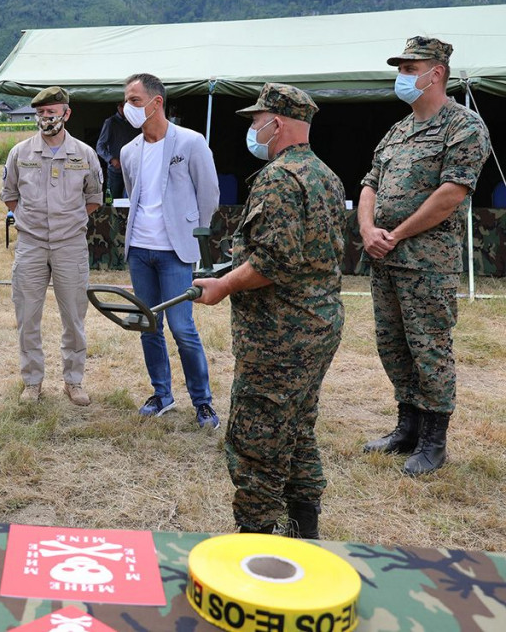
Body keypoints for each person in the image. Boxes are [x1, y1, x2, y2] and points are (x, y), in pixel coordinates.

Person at [194, 83, 345, 538]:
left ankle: (254, 543)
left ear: (276, 123)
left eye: (257, 122)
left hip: (281, 334)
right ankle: (305, 533)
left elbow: (272, 261)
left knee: (256, 439)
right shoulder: (326, 175)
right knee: (298, 426)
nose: (254, 130)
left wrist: (222, 285)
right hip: (318, 323)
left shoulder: (280, 178)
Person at [359, 37, 491, 476]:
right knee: (393, 346)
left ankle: (434, 441)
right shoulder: (397, 130)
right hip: (384, 259)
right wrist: (367, 229)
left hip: (426, 263)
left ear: (436, 73)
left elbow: (451, 194)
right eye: (401, 67)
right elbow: (369, 183)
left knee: (429, 348)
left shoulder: (464, 126)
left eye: (409, 67)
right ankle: (407, 428)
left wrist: (394, 234)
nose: (402, 75)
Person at [119, 73, 220, 429]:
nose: (127, 108)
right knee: (149, 326)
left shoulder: (191, 142)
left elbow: (208, 193)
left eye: (133, 100)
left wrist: (196, 239)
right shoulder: (128, 151)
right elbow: (135, 195)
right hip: (140, 250)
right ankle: (162, 394)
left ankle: (203, 402)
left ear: (155, 102)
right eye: (126, 101)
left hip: (176, 251)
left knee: (182, 328)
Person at [1, 86, 103, 406]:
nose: (47, 118)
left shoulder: (84, 154)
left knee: (73, 316)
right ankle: (32, 382)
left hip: (70, 245)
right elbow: (10, 195)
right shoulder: (20, 153)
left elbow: (94, 198)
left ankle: (73, 381)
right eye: (42, 113)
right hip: (30, 244)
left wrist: (66, 223)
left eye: (53, 112)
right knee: (28, 315)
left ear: (66, 114)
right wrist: (32, 223)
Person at [96, 102, 140, 199]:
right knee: (113, 200)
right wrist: (111, 159)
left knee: (133, 199)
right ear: (119, 107)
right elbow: (100, 146)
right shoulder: (110, 122)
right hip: (116, 170)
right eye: (123, 106)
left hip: (133, 169)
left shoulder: (136, 122)